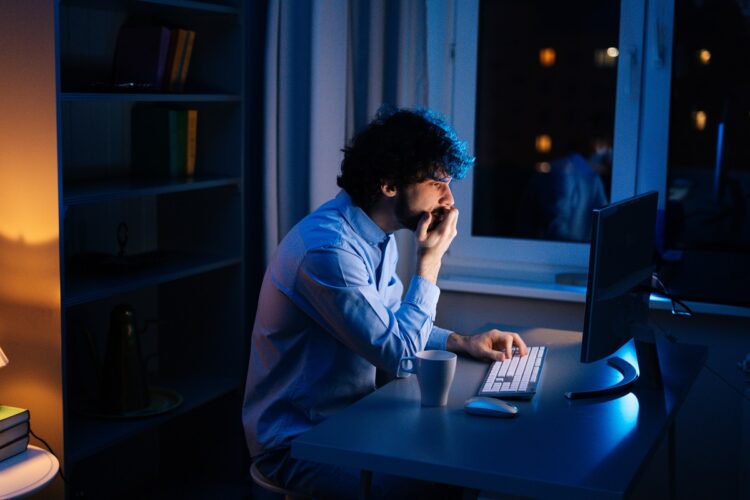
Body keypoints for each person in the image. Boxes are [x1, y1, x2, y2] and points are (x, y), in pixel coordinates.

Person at [243, 107, 528, 499]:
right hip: (300, 445)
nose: (448, 198)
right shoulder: (328, 252)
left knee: (463, 462)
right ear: (389, 185)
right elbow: (401, 356)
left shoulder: (379, 235)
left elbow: (394, 323)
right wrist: (430, 263)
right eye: (437, 183)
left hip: (350, 423)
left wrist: (462, 341)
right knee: (446, 480)